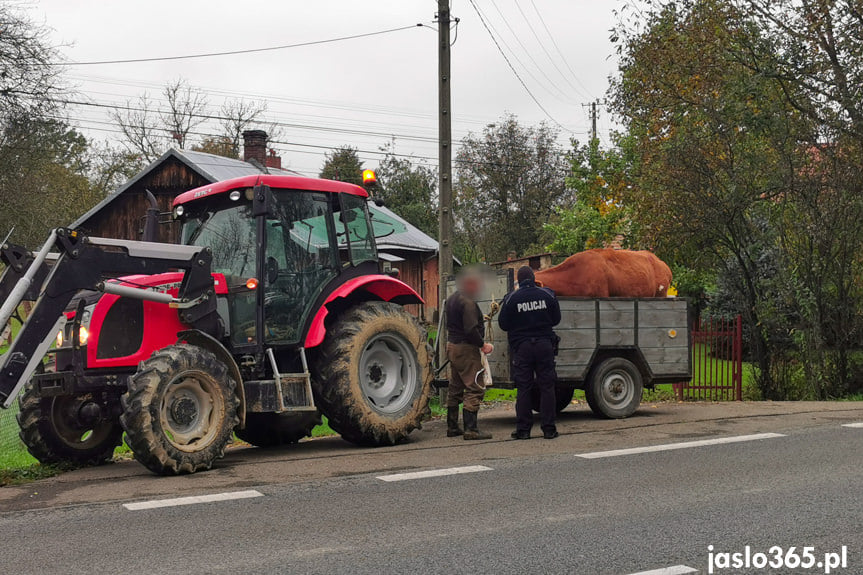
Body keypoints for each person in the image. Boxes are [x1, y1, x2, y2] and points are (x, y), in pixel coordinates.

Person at [498, 266, 562, 439]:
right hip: (544, 346)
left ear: (518, 281)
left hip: (522, 348)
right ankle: (549, 429)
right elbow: (556, 319)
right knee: (547, 387)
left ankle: (523, 430)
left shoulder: (511, 299)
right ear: (534, 279)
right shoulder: (547, 295)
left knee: (524, 388)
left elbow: (503, 324)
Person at [445, 268, 494, 440]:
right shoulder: (468, 302)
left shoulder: (452, 299)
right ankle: (471, 429)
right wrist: (483, 344)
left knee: (455, 387)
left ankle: (452, 427)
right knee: (475, 387)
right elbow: (470, 329)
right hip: (466, 349)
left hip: (452, 346)